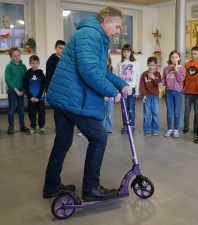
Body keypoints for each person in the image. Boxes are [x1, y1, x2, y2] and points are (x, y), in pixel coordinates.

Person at [43, 6, 132, 201]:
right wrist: (111, 92)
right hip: (72, 96)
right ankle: (91, 188)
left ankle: (51, 186)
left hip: (65, 95)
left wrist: (121, 84)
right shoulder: (91, 35)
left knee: (63, 142)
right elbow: (89, 71)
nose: (119, 31)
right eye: (117, 26)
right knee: (99, 137)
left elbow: (101, 70)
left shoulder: (98, 36)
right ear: (106, 22)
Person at [116, 43, 141, 134]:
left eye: (128, 52)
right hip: (123, 89)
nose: (126, 54)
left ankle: (132, 125)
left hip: (132, 88)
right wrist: (118, 89)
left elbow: (138, 77)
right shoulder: (120, 64)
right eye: (124, 52)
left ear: (131, 53)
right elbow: (117, 77)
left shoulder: (135, 63)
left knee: (131, 108)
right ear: (122, 53)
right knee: (124, 108)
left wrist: (137, 91)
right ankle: (125, 126)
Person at [161, 50, 186, 138]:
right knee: (169, 111)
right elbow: (163, 79)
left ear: (179, 58)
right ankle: (169, 129)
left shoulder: (182, 68)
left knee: (176, 112)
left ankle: (175, 130)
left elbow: (181, 79)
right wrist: (161, 83)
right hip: (168, 91)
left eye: (176, 57)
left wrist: (176, 70)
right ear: (170, 58)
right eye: (172, 57)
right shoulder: (166, 68)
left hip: (177, 92)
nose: (174, 59)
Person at [5, 47, 29, 134]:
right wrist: (16, 90)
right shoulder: (9, 66)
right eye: (14, 56)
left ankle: (22, 126)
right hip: (12, 91)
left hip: (21, 91)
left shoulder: (23, 66)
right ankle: (11, 127)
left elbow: (25, 79)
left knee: (21, 109)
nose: (17, 57)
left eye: (18, 55)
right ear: (11, 57)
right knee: (11, 110)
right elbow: (8, 79)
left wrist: (23, 90)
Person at [183, 46, 198, 134]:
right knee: (187, 110)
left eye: (195, 54)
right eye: (191, 54)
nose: (193, 55)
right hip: (188, 91)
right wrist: (182, 87)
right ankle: (186, 127)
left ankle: (196, 127)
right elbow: (184, 77)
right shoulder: (187, 64)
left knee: (197, 111)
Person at [23, 55, 46, 135]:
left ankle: (41, 127)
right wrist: (31, 97)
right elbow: (25, 87)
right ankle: (32, 127)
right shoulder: (27, 74)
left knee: (41, 113)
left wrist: (38, 97)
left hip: (40, 99)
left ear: (39, 63)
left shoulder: (41, 74)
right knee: (31, 113)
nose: (35, 65)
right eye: (33, 63)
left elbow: (43, 86)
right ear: (30, 64)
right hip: (31, 99)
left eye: (36, 63)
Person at [139, 56, 161, 136]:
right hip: (147, 96)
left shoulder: (158, 74)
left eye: (153, 65)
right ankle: (147, 129)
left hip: (155, 96)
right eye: (150, 65)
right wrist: (144, 95)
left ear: (156, 66)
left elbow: (158, 84)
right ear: (147, 65)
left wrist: (154, 78)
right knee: (147, 114)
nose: (151, 67)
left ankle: (155, 129)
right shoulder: (144, 74)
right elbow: (142, 85)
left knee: (156, 113)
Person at [103, 54, 116, 133]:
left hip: (110, 95)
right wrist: (104, 95)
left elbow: (113, 83)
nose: (105, 62)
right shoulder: (98, 71)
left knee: (109, 112)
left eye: (107, 60)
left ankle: (109, 127)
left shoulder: (112, 70)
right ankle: (102, 128)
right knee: (103, 113)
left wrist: (112, 94)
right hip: (102, 95)